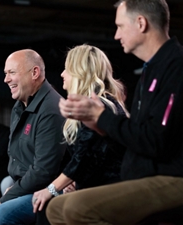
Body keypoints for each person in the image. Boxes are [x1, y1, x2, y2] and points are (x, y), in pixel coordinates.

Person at [47, 0, 183, 224]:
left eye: (120, 26)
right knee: (56, 209)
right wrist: (100, 127)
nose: (116, 35)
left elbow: (156, 141)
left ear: (141, 23)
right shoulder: (151, 70)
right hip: (147, 174)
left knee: (76, 208)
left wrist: (101, 117)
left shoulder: (175, 66)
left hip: (172, 177)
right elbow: (138, 138)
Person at [0, 49, 66, 225]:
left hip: (49, 190)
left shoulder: (51, 109)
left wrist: (11, 193)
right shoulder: (19, 106)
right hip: (25, 187)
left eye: (12, 73)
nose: (6, 79)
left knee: (1, 215)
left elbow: (44, 172)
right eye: (6, 73)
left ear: (34, 72)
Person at [32, 44, 129, 216]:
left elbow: (86, 156)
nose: (62, 74)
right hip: (97, 186)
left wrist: (52, 189)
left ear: (80, 72)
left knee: (45, 207)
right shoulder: (105, 102)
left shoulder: (99, 105)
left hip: (112, 191)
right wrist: (73, 181)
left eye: (67, 69)